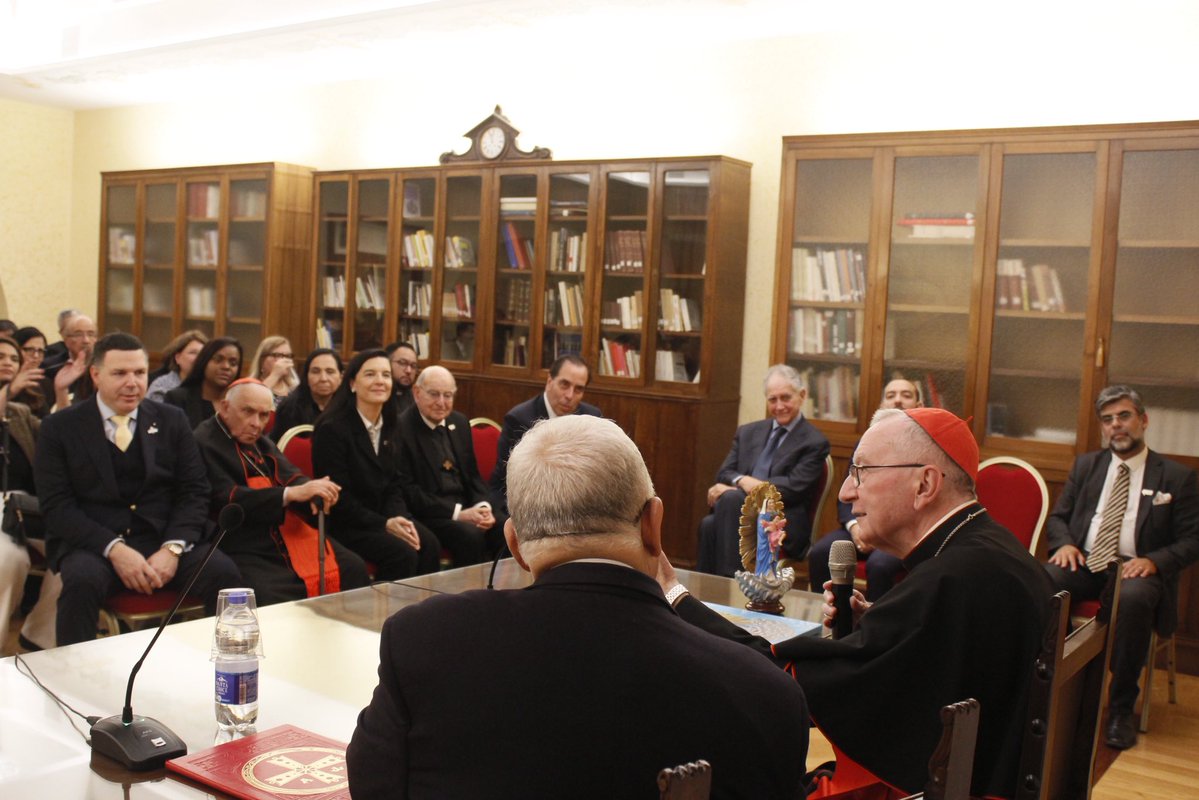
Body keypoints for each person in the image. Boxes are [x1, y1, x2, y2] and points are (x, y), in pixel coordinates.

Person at [347, 414, 810, 799]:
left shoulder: (421, 641)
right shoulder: (760, 693)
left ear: (516, 545)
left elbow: (373, 786)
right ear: (654, 524)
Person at [661, 407, 1055, 798]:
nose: (847, 492)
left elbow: (782, 681)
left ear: (925, 484)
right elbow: (932, 666)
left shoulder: (951, 578)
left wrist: (678, 599)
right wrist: (880, 627)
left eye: (861, 472)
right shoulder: (987, 554)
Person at [34, 333, 242, 646]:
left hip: (164, 538)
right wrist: (114, 549)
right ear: (95, 374)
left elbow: (194, 491)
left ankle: (224, 670)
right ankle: (73, 682)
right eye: (119, 373)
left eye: (140, 373)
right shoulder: (59, 428)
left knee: (224, 575)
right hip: (95, 545)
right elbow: (57, 506)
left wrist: (172, 548)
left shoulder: (172, 420)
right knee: (80, 582)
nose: (132, 383)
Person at [1044, 385, 1199, 750]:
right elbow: (1059, 517)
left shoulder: (1177, 477)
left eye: (1124, 416)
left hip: (1136, 570)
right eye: (1108, 419)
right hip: (1085, 562)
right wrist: (1064, 542)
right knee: (1043, 578)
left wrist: (1153, 561)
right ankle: (1068, 680)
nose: (1117, 425)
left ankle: (1120, 708)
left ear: (1143, 421)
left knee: (1131, 601)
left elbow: (1193, 540)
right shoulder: (1087, 465)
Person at [194, 379, 368, 605]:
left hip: (285, 530)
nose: (256, 423)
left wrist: (315, 489)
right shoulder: (203, 441)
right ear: (225, 407)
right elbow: (225, 498)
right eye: (248, 412)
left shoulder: (260, 442)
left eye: (264, 415)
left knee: (352, 566)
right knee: (266, 593)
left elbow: (292, 475)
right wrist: (289, 495)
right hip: (242, 540)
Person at [312, 350, 441, 579]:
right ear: (352, 383)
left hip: (384, 516)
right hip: (347, 523)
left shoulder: (392, 424)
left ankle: (422, 612)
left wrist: (399, 517)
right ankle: (387, 614)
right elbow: (340, 497)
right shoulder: (332, 429)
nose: (380, 381)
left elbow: (395, 483)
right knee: (403, 553)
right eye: (370, 374)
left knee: (429, 543)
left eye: (385, 375)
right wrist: (385, 524)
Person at [695, 364, 830, 576]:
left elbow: (794, 488)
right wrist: (742, 481)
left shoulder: (814, 442)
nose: (779, 406)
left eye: (786, 398)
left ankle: (733, 585)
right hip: (738, 512)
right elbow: (724, 473)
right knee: (709, 524)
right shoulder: (748, 432)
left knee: (728, 503)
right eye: (772, 400)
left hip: (782, 519)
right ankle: (705, 595)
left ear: (802, 395)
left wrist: (750, 487)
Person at [807, 378, 921, 599]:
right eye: (890, 395)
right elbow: (846, 496)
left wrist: (878, 532)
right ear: (881, 406)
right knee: (821, 552)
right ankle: (831, 621)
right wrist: (854, 528)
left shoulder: (925, 445)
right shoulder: (867, 442)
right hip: (859, 526)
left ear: (919, 404)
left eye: (906, 395)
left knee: (879, 566)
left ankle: (875, 629)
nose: (898, 400)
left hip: (899, 533)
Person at [396, 365, 494, 565]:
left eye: (448, 395)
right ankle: (468, 594)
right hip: (431, 513)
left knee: (505, 528)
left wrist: (483, 507)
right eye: (434, 394)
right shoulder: (401, 428)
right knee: (471, 536)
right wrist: (459, 514)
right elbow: (409, 491)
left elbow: (473, 476)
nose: (441, 403)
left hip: (467, 505)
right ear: (416, 393)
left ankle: (500, 593)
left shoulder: (459, 421)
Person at [488, 354, 601, 519]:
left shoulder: (591, 417)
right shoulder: (519, 419)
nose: (570, 395)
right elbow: (507, 480)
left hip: (575, 506)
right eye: (564, 384)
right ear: (549, 381)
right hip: (525, 503)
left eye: (578, 389)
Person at [164, 337, 242, 428]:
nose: (226, 367)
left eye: (233, 363)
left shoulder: (239, 404)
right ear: (204, 361)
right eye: (218, 360)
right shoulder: (177, 399)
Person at [270, 348, 342, 440]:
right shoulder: (290, 408)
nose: (323, 378)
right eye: (315, 371)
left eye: (330, 372)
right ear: (306, 377)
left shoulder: (349, 406)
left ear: (341, 377)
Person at [40, 312, 96, 408]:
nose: (86, 340)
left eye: (91, 334)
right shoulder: (50, 367)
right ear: (65, 338)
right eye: (78, 334)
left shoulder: (105, 367)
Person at [146, 329, 208, 402]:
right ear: (177, 358)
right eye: (193, 353)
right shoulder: (162, 388)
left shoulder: (211, 387)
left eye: (203, 353)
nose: (199, 358)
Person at [11, 327, 50, 417]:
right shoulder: (4, 381)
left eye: (40, 351)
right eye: (29, 350)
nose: (36, 356)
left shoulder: (44, 382)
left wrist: (61, 390)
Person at [250, 335, 297, 404]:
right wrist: (275, 375)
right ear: (262, 360)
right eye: (277, 355)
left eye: (288, 356)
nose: (284, 360)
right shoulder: (250, 386)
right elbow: (254, 402)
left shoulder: (294, 388)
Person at [384, 341, 418, 416]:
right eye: (402, 363)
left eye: (413, 366)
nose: (409, 371)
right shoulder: (377, 396)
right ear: (387, 363)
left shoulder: (418, 400)